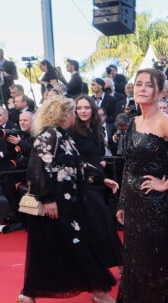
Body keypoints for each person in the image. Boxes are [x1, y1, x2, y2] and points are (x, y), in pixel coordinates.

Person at [60, 68, 168, 303]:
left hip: (155, 204)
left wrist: (166, 184)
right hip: (134, 204)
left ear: (161, 91)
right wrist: (123, 203)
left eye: (149, 85)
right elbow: (129, 168)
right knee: (135, 266)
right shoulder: (134, 121)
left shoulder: (166, 121)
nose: (142, 89)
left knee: (153, 265)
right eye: (138, 84)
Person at [16, 95, 117, 303]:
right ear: (62, 114)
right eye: (71, 112)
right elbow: (36, 167)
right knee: (77, 246)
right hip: (55, 207)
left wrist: (102, 179)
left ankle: (28, 294)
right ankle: (100, 292)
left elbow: (78, 165)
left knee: (50, 251)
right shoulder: (49, 135)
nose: (74, 116)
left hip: (69, 206)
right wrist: (48, 199)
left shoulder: (64, 137)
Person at [70, 95, 123, 271]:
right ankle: (117, 261)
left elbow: (97, 154)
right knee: (101, 221)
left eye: (86, 107)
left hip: (97, 180)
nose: (83, 111)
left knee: (100, 221)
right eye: (79, 108)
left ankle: (107, 263)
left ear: (93, 110)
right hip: (83, 182)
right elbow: (75, 160)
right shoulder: (72, 131)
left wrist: (101, 163)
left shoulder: (96, 129)